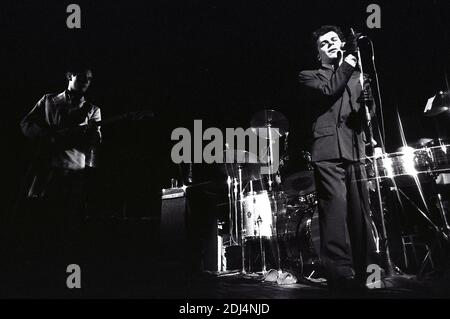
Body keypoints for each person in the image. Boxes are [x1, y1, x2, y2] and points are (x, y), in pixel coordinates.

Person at [298, 25, 379, 291]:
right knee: (334, 211)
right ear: (318, 52)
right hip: (328, 151)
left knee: (361, 213)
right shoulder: (309, 76)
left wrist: (369, 105)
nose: (331, 43)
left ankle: (368, 271)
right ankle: (340, 273)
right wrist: (349, 63)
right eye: (325, 42)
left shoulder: (357, 76)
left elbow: (366, 117)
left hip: (355, 147)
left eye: (335, 39)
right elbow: (329, 91)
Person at [19, 65, 101, 259]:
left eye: (89, 79)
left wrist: (90, 134)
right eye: (81, 77)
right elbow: (26, 123)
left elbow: (96, 142)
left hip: (75, 171)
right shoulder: (48, 100)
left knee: (70, 221)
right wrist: (46, 135)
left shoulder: (93, 109)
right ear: (69, 76)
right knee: (42, 218)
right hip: (48, 168)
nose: (85, 82)